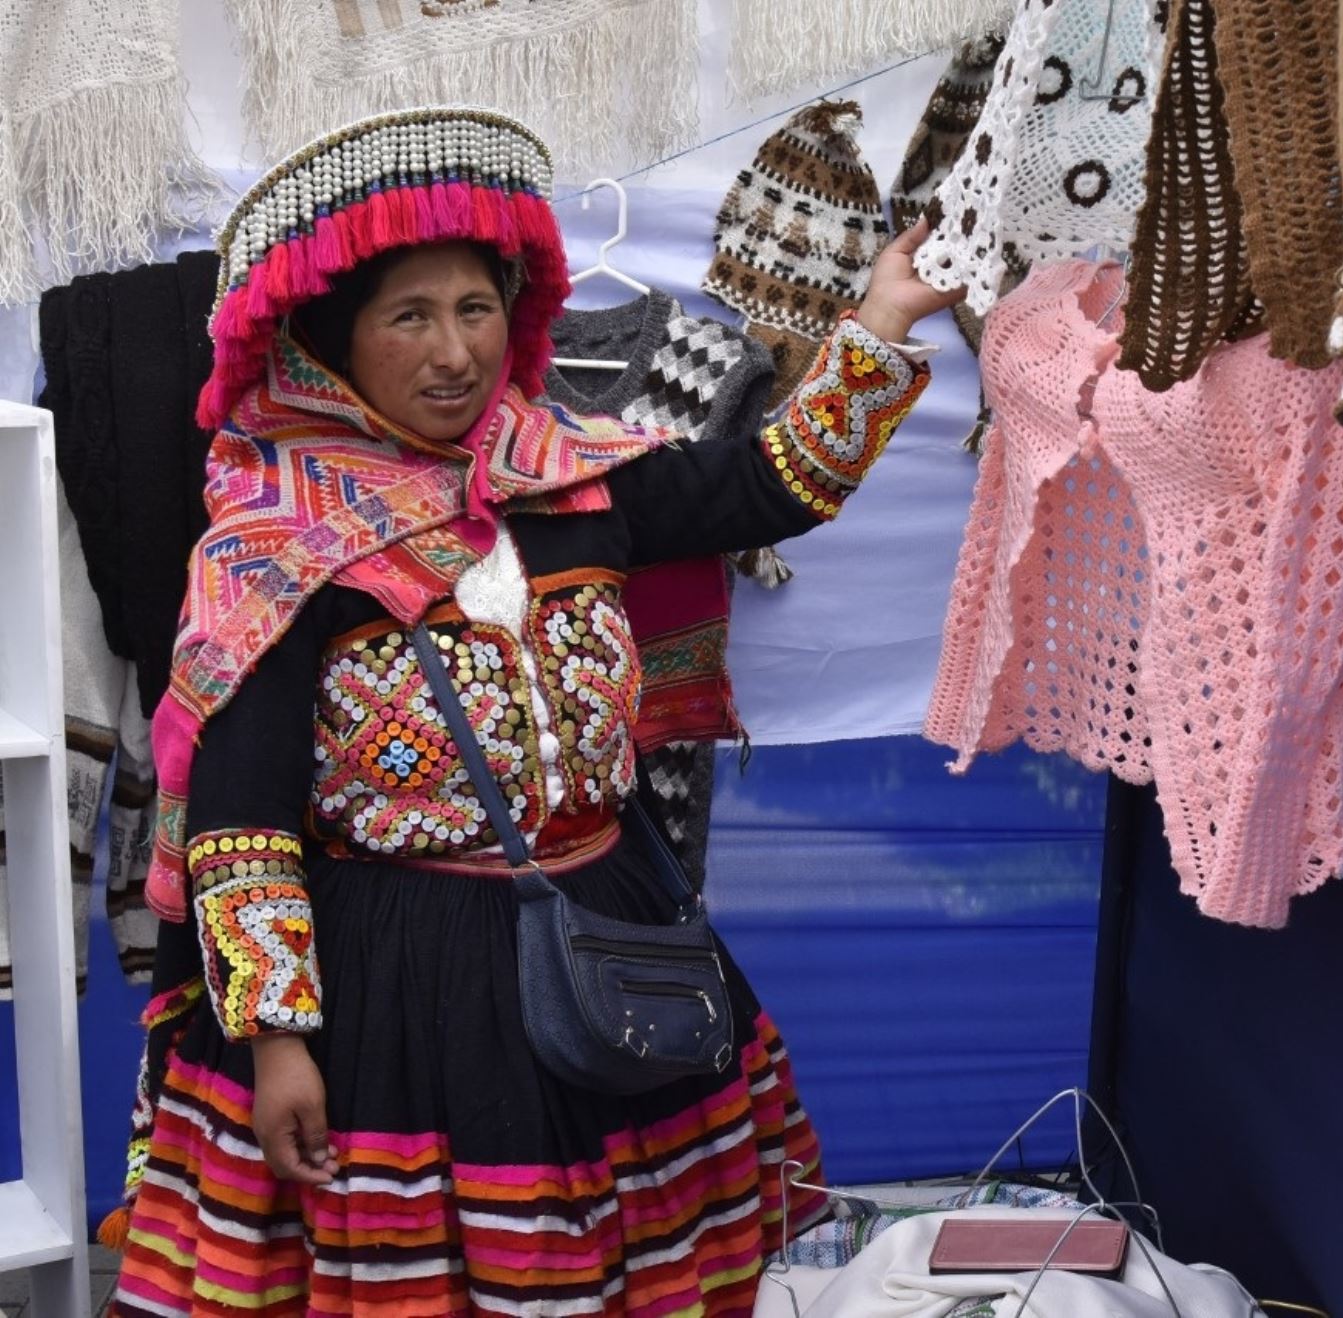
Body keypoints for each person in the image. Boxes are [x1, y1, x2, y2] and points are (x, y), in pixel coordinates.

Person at [108, 107, 961, 1316]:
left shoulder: (573, 479)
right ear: (332, 340)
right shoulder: (281, 547)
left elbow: (775, 482)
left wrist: (876, 324)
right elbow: (242, 815)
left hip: (604, 930)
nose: (455, 351)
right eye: (409, 316)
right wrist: (275, 1036)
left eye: (475, 308)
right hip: (394, 987)